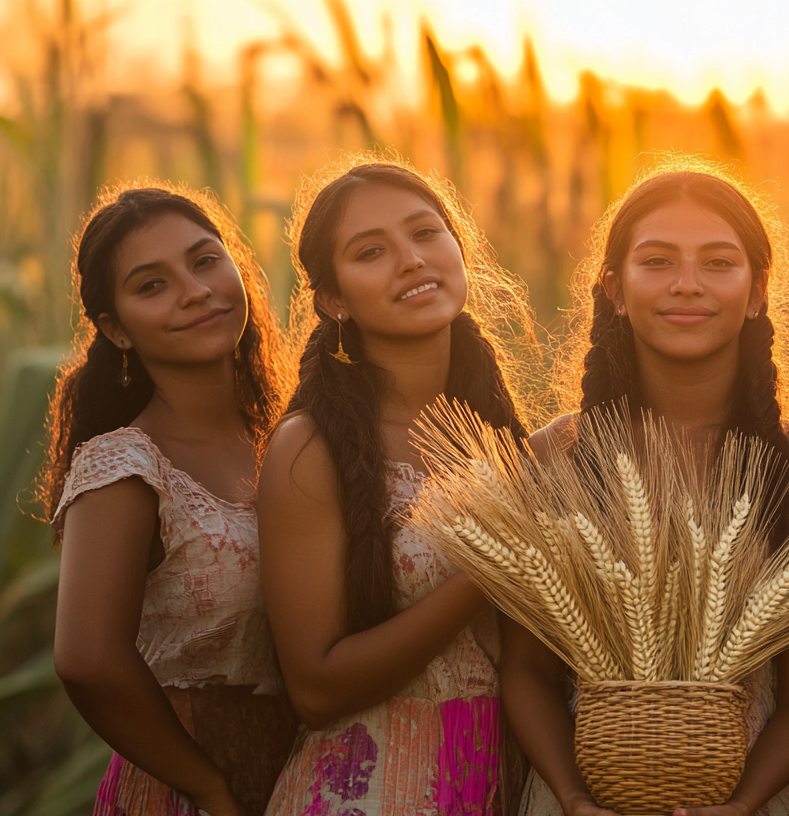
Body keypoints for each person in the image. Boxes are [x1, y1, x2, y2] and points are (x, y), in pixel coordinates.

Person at [505, 158, 789, 816]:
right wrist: (575, 799)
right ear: (613, 287)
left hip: (752, 801)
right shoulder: (556, 459)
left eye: (718, 264)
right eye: (657, 262)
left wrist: (739, 805)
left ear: (757, 292)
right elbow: (526, 670)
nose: (686, 285)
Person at [258, 159, 535, 815]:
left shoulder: (499, 433)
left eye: (425, 233)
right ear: (334, 300)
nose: (411, 260)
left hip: (498, 784)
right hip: (370, 789)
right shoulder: (311, 447)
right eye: (371, 251)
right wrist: (485, 574)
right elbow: (317, 689)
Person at [45, 184, 299, 816]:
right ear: (116, 330)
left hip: (316, 768)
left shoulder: (294, 436)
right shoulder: (126, 466)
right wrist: (208, 786)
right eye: (151, 285)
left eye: (205, 260)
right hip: (188, 784)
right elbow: (87, 660)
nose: (193, 290)